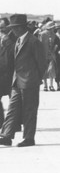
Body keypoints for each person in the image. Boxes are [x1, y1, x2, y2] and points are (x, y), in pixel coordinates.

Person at [0, 15, 47, 147]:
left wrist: (35, 78)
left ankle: (29, 138)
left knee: (29, 110)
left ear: (21, 27)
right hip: (16, 81)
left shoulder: (33, 41)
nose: (12, 31)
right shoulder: (17, 40)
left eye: (14, 28)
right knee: (12, 109)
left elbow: (42, 64)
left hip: (29, 81)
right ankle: (6, 136)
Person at [0, 18, 16, 124]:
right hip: (1, 73)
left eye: (2, 27)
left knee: (14, 100)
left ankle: (14, 123)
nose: (1, 30)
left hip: (11, 73)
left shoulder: (13, 37)